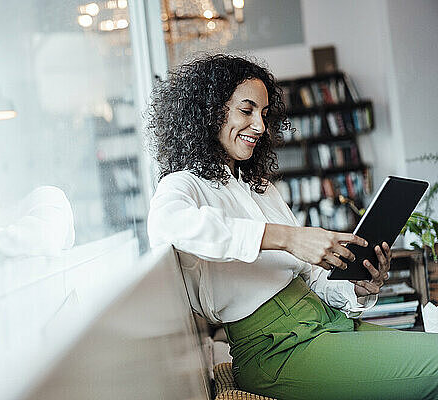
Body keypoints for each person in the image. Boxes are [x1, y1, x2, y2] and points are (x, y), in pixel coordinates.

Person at [146, 54, 438, 400]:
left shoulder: (261, 189)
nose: (259, 126)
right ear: (209, 111)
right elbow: (168, 225)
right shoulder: (183, 185)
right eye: (246, 110)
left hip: (326, 323)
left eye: (265, 115)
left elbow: (312, 279)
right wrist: (288, 238)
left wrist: (359, 286)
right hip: (277, 351)